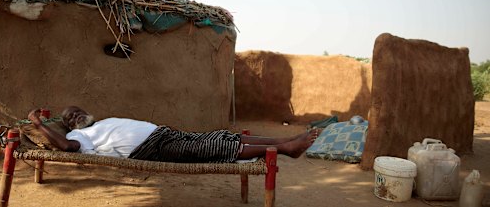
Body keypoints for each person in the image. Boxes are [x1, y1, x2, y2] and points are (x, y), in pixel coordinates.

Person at [27, 106, 320, 163]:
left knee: (222, 136)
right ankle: (284, 149)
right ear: (69, 126)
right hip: (150, 150)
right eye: (70, 119)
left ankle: (284, 143)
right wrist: (40, 125)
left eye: (77, 111)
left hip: (163, 134)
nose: (75, 116)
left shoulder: (102, 122)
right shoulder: (86, 136)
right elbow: (65, 147)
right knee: (212, 149)